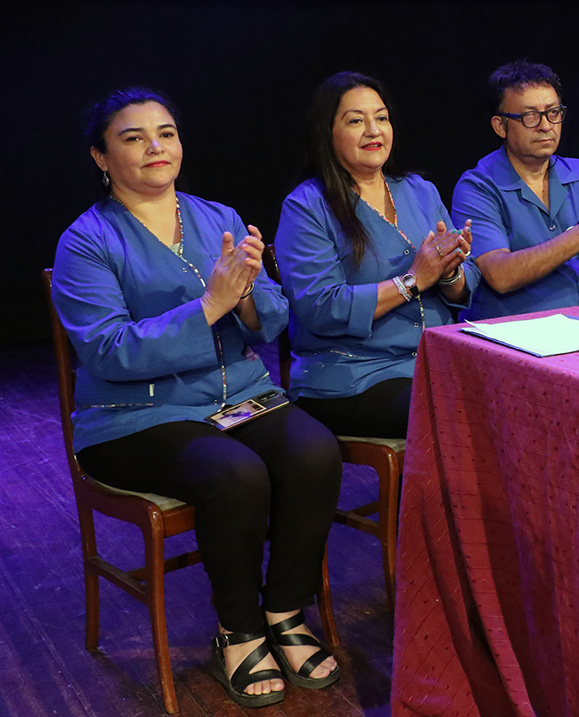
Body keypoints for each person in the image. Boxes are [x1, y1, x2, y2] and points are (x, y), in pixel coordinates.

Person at [52, 88, 343, 708]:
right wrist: (210, 303)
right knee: (235, 474)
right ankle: (238, 631)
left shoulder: (218, 217)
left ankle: (284, 610)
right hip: (137, 416)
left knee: (315, 451)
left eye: (166, 133)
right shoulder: (85, 241)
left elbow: (270, 316)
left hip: (237, 396)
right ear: (101, 157)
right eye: (133, 137)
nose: (155, 146)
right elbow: (108, 351)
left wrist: (246, 291)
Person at [274, 72, 477, 439]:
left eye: (381, 118)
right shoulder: (306, 206)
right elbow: (320, 307)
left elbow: (466, 284)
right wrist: (412, 281)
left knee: (515, 391)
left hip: (435, 360)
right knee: (458, 412)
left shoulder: (420, 190)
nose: (373, 130)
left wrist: (449, 272)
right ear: (327, 132)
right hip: (352, 375)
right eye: (356, 121)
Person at [451, 60, 579, 320]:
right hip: (520, 331)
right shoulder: (477, 187)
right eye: (530, 116)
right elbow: (499, 275)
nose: (546, 126)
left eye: (553, 112)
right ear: (500, 126)